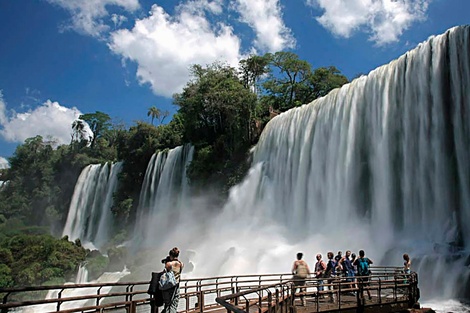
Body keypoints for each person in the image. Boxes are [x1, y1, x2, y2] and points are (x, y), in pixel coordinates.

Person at [162, 247, 184, 313]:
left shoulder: (168, 264)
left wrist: (167, 261)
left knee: (167, 305)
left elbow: (164, 274)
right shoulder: (181, 264)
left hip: (168, 287)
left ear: (171, 255)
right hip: (176, 286)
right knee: (174, 304)